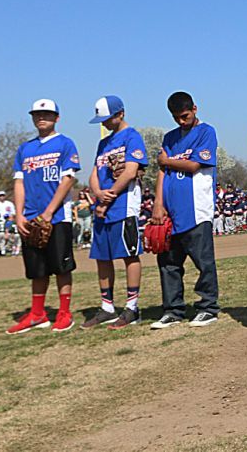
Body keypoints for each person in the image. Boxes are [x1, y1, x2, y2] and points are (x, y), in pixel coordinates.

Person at [6, 99, 81, 334]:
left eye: (47, 114)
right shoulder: (25, 149)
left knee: (61, 267)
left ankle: (64, 313)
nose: (42, 118)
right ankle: (37, 314)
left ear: (56, 118)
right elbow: (18, 182)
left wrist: (49, 212)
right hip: (30, 217)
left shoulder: (65, 144)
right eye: (37, 114)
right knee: (36, 269)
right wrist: (19, 215)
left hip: (58, 216)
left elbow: (68, 179)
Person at [150, 91, 221, 330]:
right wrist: (158, 204)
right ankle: (173, 310)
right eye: (176, 117)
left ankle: (208, 307)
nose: (181, 121)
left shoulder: (206, 132)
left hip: (197, 209)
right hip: (170, 211)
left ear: (195, 108)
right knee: (168, 263)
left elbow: (193, 164)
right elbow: (161, 172)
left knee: (204, 262)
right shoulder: (169, 137)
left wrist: (168, 161)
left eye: (185, 115)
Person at [84, 95, 149, 329]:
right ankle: (107, 307)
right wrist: (97, 194)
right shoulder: (104, 143)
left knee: (129, 254)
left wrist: (108, 196)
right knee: (102, 256)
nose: (104, 123)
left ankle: (132, 307)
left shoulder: (132, 137)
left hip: (123, 206)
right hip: (102, 207)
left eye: (107, 118)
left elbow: (131, 171)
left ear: (120, 114)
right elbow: (94, 171)